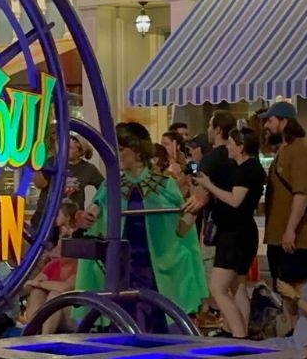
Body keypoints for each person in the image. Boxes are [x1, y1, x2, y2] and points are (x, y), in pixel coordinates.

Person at [73, 137, 209, 328]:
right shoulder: (111, 185)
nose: (117, 155)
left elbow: (181, 229)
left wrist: (195, 209)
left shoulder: (165, 185)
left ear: (137, 152)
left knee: (156, 324)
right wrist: (83, 218)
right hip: (120, 270)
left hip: (157, 270)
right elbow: (92, 215)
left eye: (121, 149)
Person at [197, 128, 267, 338]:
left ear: (241, 147)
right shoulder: (244, 168)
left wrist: (209, 185)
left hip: (236, 235)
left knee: (217, 288)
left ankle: (237, 334)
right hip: (239, 232)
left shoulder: (248, 169)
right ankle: (238, 332)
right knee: (237, 286)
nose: (227, 147)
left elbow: (235, 200)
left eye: (230, 143)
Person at [261, 102, 307, 292]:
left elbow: (301, 195)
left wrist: (290, 230)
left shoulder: (302, 150)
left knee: (298, 290)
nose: (266, 125)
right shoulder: (283, 149)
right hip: (278, 238)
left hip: (296, 240)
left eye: (270, 120)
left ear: (284, 122)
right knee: (282, 289)